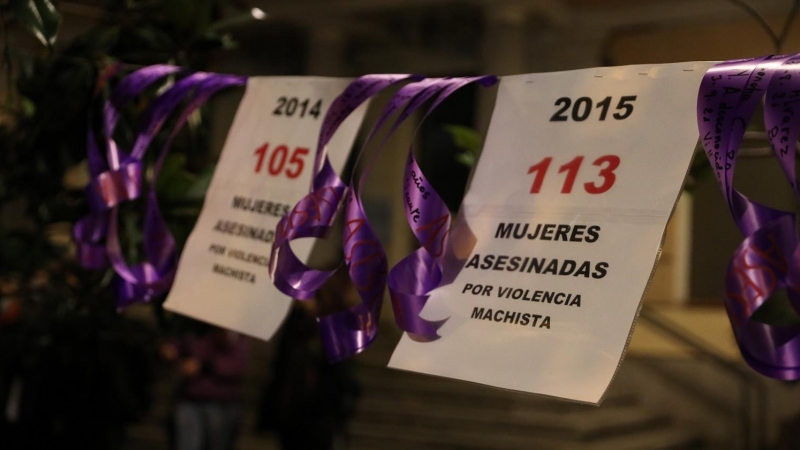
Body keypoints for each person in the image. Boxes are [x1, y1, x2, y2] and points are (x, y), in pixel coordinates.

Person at [162, 324, 249, 450]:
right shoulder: (193, 328)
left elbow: (237, 366)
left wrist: (204, 365)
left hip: (222, 402)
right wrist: (170, 351)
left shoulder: (236, 333)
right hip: (190, 398)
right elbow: (176, 346)